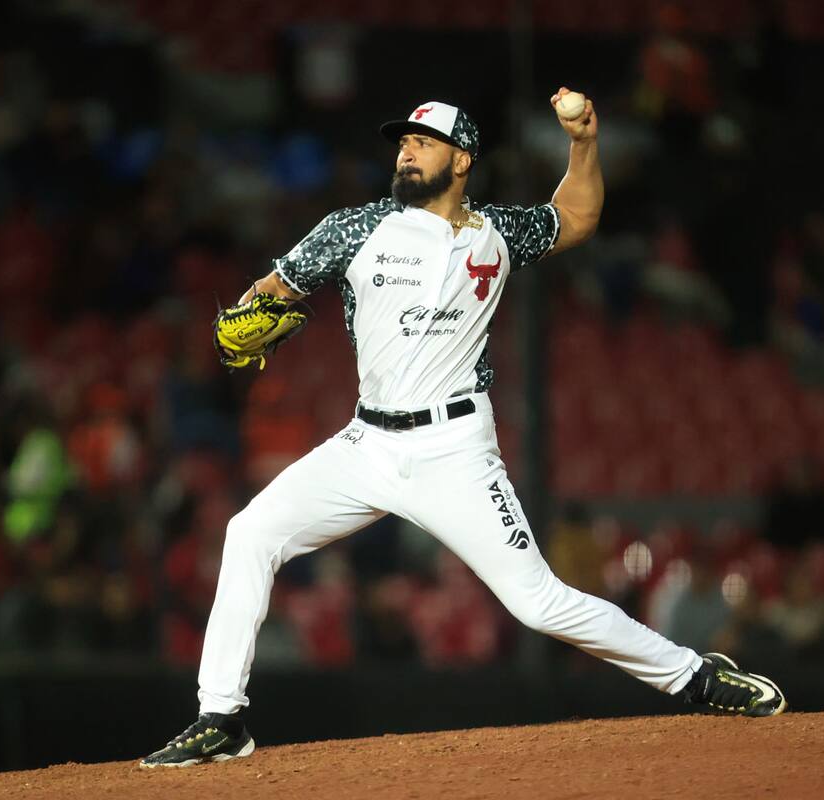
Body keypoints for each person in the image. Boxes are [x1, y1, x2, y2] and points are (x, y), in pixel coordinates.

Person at [140, 90, 786, 769]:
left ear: (463, 157)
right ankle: (221, 717)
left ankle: (695, 676)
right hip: (368, 444)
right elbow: (274, 290)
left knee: (538, 603)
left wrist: (585, 143)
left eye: (423, 139)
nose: (407, 148)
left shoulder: (497, 233)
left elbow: (576, 216)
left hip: (455, 450)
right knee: (250, 532)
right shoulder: (356, 228)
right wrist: (246, 322)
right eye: (403, 140)